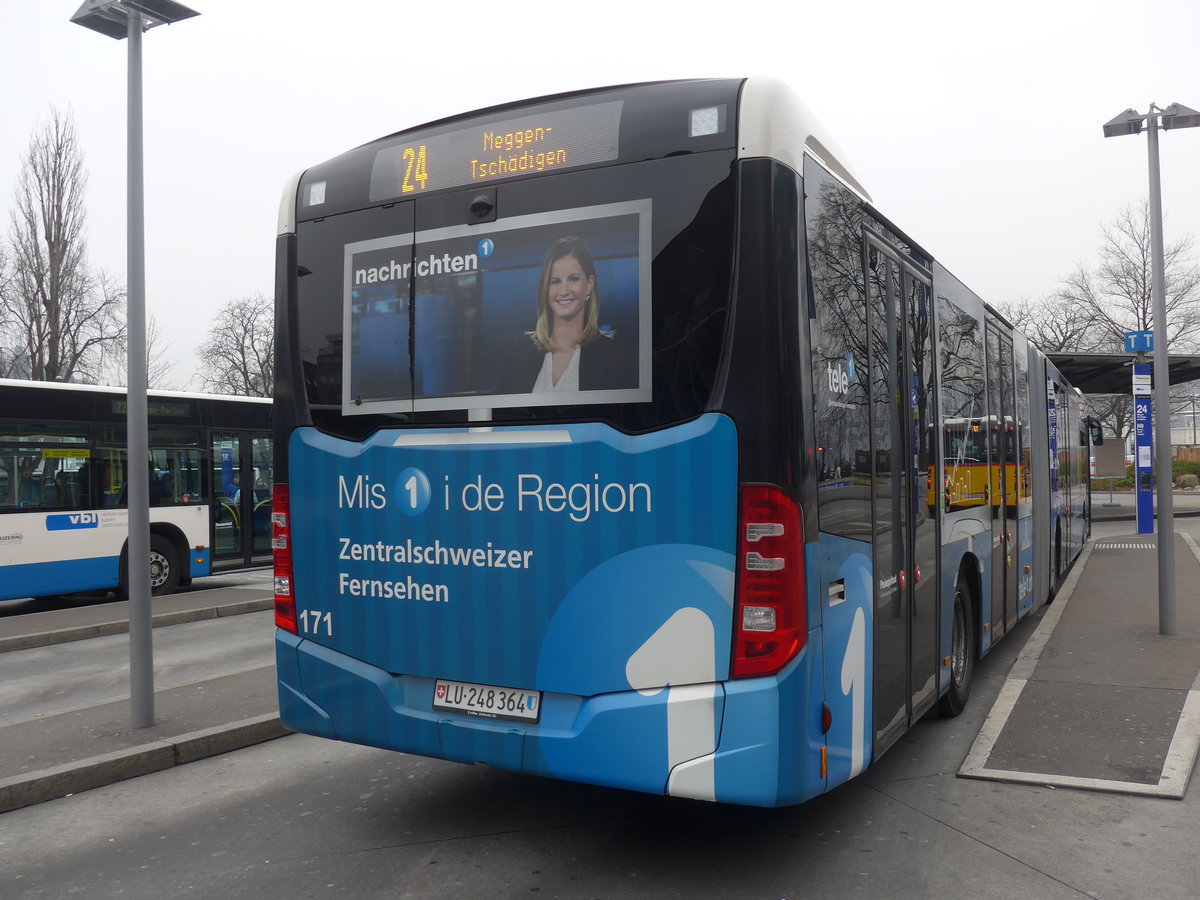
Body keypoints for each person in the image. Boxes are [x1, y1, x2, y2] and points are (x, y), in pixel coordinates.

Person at [499, 236, 633, 394]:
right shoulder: (520, 353)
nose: (563, 291)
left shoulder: (613, 356)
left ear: (589, 284)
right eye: (555, 281)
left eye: (573, 279)